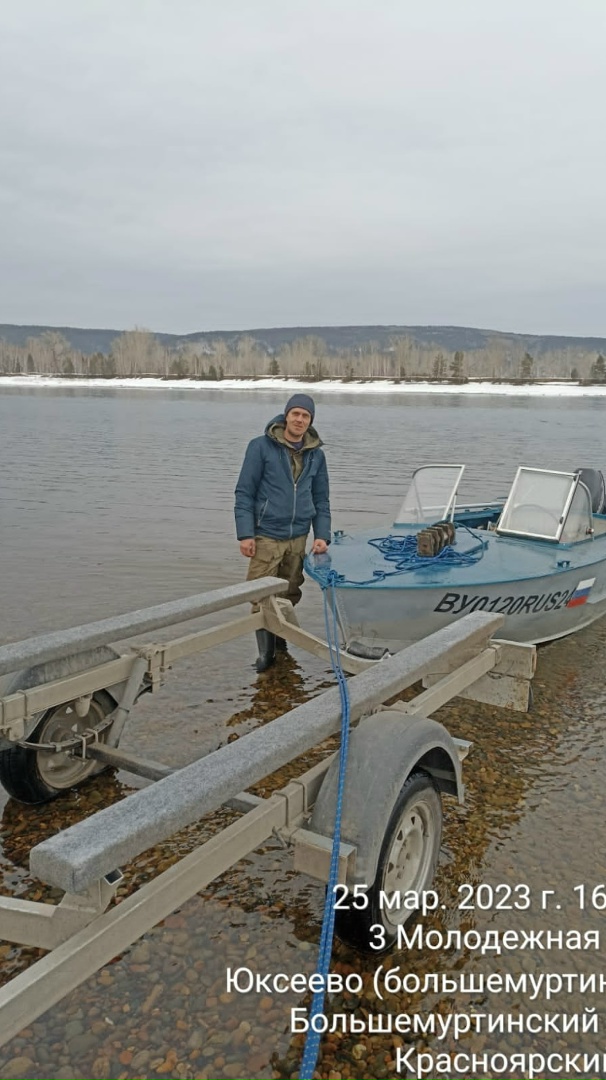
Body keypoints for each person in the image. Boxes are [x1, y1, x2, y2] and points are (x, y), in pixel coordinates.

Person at [235, 393, 331, 671]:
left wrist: (322, 535)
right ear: (286, 415)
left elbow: (322, 498)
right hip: (266, 535)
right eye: (296, 414)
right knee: (261, 595)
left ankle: (280, 641)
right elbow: (244, 493)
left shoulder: (316, 455)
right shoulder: (260, 447)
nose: (300, 420)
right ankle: (267, 657)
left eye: (305, 416)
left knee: (289, 592)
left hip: (298, 537)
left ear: (311, 420)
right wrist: (245, 534)